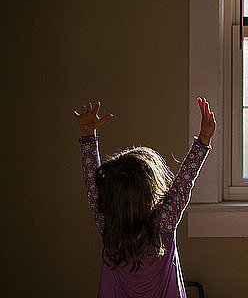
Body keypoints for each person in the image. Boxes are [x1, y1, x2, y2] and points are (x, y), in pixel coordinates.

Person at [73, 97, 216, 297]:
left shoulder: (107, 223)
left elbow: (92, 182)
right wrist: (203, 140)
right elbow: (184, 182)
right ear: (151, 190)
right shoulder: (163, 223)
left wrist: (88, 136)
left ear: (110, 195)